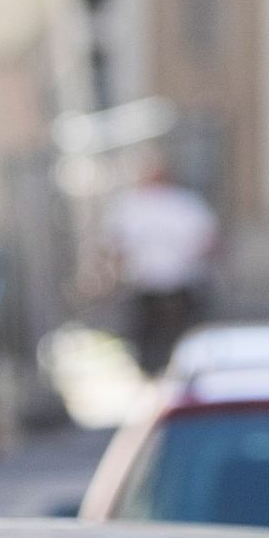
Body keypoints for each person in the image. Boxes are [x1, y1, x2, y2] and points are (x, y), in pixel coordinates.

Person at [102, 153, 220, 373]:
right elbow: (116, 245)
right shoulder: (131, 205)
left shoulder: (184, 204)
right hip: (145, 285)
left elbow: (208, 242)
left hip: (180, 284)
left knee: (181, 341)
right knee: (148, 343)